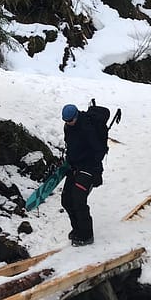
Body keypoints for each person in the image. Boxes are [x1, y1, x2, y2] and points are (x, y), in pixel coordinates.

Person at [60, 104, 105, 246]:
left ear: (76, 116)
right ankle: (77, 230)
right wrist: (69, 162)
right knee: (66, 200)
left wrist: (95, 171)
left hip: (89, 168)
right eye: (65, 121)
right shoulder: (68, 127)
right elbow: (71, 146)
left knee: (78, 200)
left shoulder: (87, 128)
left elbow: (99, 150)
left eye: (70, 120)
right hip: (75, 167)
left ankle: (86, 235)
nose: (68, 123)